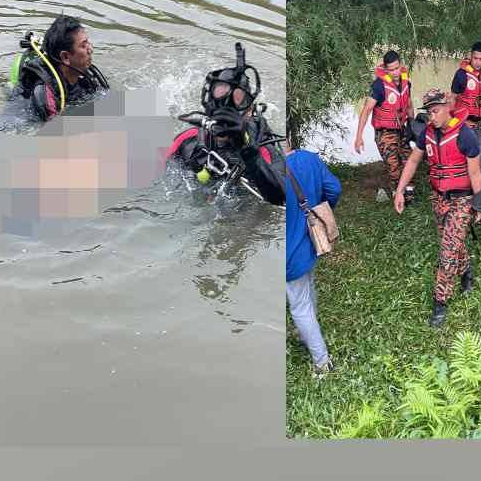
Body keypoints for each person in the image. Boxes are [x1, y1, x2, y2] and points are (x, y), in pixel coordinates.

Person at [393, 89, 481, 328]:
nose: (431, 117)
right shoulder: (428, 134)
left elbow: (475, 173)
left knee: (447, 252)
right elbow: (413, 160)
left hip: (462, 200)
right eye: (429, 112)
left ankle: (440, 303)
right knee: (451, 241)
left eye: (435, 111)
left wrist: (480, 206)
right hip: (438, 198)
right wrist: (400, 190)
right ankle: (466, 274)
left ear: (447, 108)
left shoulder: (466, 136)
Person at [166, 43, 285, 206]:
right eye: (219, 109)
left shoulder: (265, 152)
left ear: (249, 112)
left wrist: (246, 149)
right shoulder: (188, 140)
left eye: (232, 111)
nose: (224, 118)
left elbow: (281, 198)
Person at [285, 140, 342, 376]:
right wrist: (318, 210)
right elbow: (334, 189)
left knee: (300, 306)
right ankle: (306, 332)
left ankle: (322, 362)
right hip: (310, 239)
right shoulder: (308, 158)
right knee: (308, 288)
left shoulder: (268, 172)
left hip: (288, 251)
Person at [10, 14, 109, 121]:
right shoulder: (44, 94)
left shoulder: (84, 75)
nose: (91, 49)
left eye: (88, 42)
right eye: (83, 45)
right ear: (65, 56)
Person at [354, 50, 415, 201]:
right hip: (385, 132)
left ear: (400, 65)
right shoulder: (379, 86)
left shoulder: (406, 82)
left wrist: (412, 125)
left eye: (397, 68)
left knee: (409, 161)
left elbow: (409, 104)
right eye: (391, 69)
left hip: (401, 129)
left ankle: (409, 193)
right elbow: (367, 110)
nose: (395, 72)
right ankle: (397, 193)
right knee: (393, 165)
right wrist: (358, 137)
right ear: (386, 69)